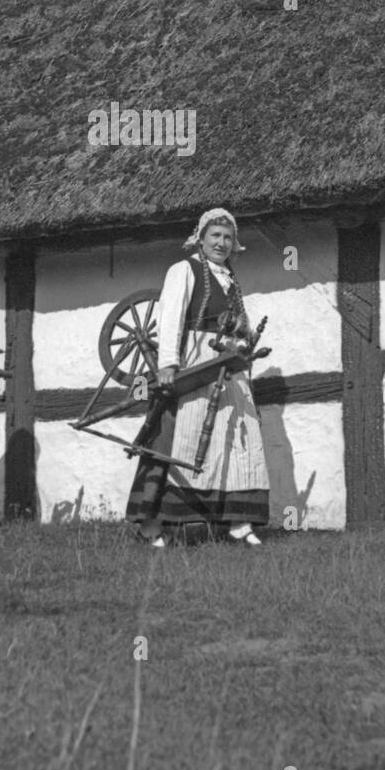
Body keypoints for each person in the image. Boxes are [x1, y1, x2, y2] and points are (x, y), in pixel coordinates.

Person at [126, 208, 270, 546]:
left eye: (227, 238)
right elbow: (172, 316)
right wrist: (168, 364)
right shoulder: (183, 270)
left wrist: (244, 341)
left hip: (228, 366)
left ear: (234, 244)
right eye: (215, 236)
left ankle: (237, 521)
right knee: (175, 434)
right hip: (195, 361)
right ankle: (150, 524)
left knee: (236, 438)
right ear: (200, 239)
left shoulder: (231, 280)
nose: (221, 243)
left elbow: (240, 325)